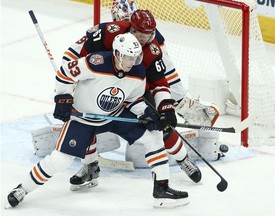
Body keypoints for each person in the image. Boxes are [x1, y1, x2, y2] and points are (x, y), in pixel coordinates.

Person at [6, 33, 189, 209]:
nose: (134, 62)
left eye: (136, 57)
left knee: (154, 135)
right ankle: (22, 189)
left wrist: (147, 113)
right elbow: (64, 73)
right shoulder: (96, 62)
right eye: (129, 57)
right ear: (117, 54)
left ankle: (162, 190)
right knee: (60, 160)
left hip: (115, 115)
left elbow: (132, 99)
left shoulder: (138, 71)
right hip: (83, 117)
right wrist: (63, 98)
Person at [61, 8, 206, 191]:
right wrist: (68, 83)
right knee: (87, 119)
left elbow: (159, 81)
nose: (146, 38)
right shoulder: (108, 32)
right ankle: (90, 166)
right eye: (142, 34)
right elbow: (76, 54)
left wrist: (166, 107)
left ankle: (183, 159)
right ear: (131, 28)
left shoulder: (154, 46)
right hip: (102, 86)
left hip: (135, 91)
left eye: (149, 34)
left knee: (161, 127)